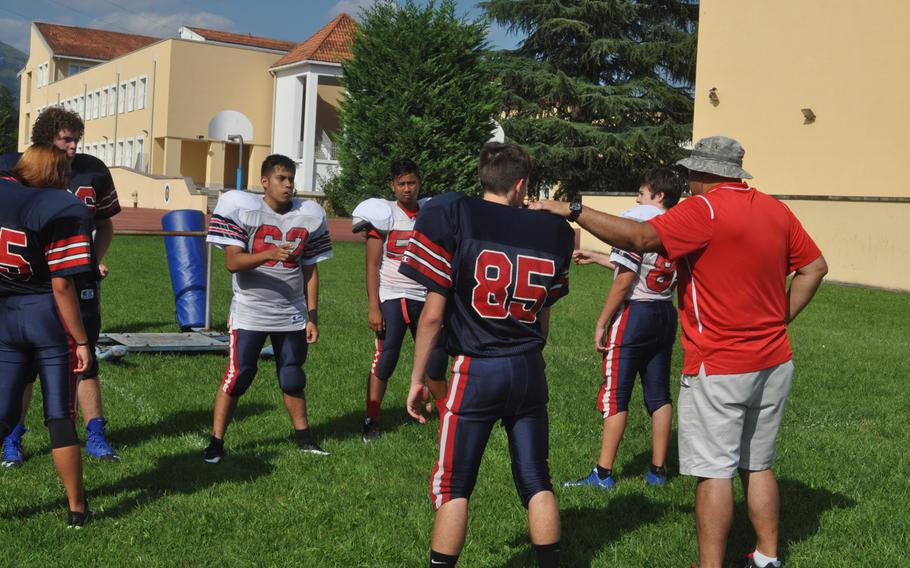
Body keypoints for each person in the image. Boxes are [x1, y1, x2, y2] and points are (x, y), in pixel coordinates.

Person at [531, 136, 828, 568]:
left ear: (705, 175)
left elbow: (639, 236)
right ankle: (767, 557)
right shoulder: (775, 209)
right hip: (774, 359)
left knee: (715, 472)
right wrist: (780, 318)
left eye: (691, 174)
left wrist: (573, 210)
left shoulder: (703, 209)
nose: (688, 182)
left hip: (720, 364)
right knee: (758, 464)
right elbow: (814, 267)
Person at [400, 142, 574, 567]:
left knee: (453, 487)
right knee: (536, 480)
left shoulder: (453, 213)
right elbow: (544, 314)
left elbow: (432, 316)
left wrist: (418, 376)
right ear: (521, 184)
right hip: (529, 365)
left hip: (476, 367)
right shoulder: (553, 232)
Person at [0, 107, 121, 466]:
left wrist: (92, 259)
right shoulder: (13, 166)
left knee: (84, 360)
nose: (72, 147)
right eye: (66, 139)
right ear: (45, 138)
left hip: (76, 282)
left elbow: (106, 224)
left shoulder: (93, 170)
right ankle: (14, 437)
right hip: (26, 287)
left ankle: (95, 433)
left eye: (76, 139)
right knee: (22, 367)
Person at [203, 154, 333, 464]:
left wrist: (312, 315)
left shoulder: (309, 214)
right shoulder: (243, 209)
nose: (288, 185)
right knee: (239, 376)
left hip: (291, 311)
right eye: (281, 178)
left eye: (291, 179)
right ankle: (216, 442)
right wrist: (269, 253)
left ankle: (304, 439)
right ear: (265, 182)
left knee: (292, 376)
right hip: (251, 310)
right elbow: (233, 263)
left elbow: (310, 269)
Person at [563, 167, 682, 491]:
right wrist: (601, 257)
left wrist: (602, 321)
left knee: (616, 395)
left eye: (642, 193)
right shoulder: (676, 223)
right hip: (664, 311)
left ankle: (603, 473)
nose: (636, 198)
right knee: (658, 394)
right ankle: (658, 470)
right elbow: (645, 266)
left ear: (657, 196)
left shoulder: (639, 220)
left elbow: (628, 277)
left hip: (635, 316)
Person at [0, 145, 95, 526]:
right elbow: (61, 286)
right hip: (46, 318)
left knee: (3, 412)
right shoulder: (61, 206)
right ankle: (76, 507)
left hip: (6, 315)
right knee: (59, 417)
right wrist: (83, 339)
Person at [355, 160, 448, 441]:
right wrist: (374, 306)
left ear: (420, 183)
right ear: (392, 186)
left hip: (425, 294)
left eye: (412, 183)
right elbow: (372, 265)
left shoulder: (431, 212)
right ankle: (372, 419)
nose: (407, 189)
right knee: (386, 358)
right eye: (401, 184)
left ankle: (447, 419)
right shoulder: (383, 214)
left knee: (435, 361)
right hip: (393, 294)